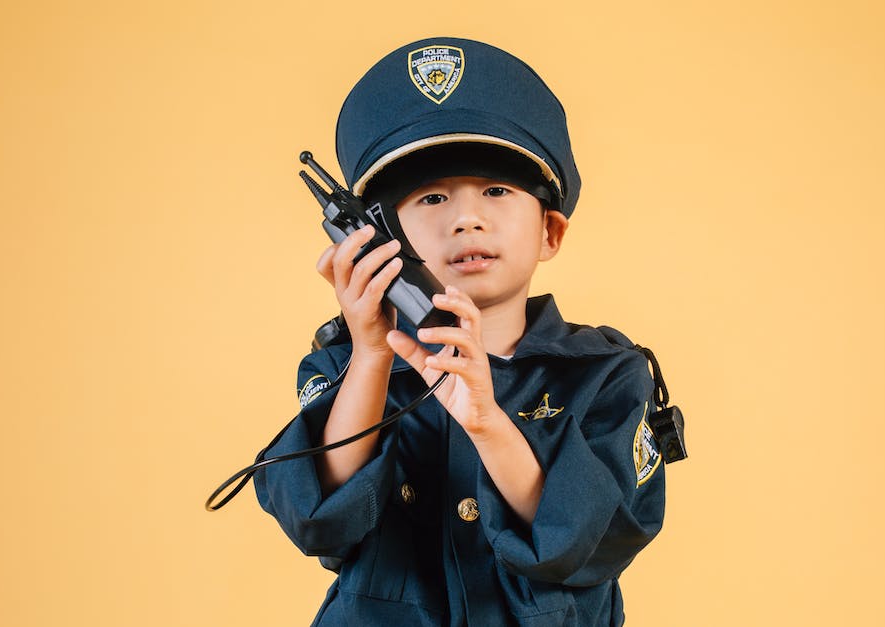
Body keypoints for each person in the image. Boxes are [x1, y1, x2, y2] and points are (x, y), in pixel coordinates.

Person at [254, 37, 667, 626]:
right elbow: (318, 523)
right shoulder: (346, 366)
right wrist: (371, 354)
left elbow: (592, 542)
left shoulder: (606, 375)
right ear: (377, 239)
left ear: (549, 232)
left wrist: (487, 422)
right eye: (431, 197)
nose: (466, 218)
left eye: (496, 191)